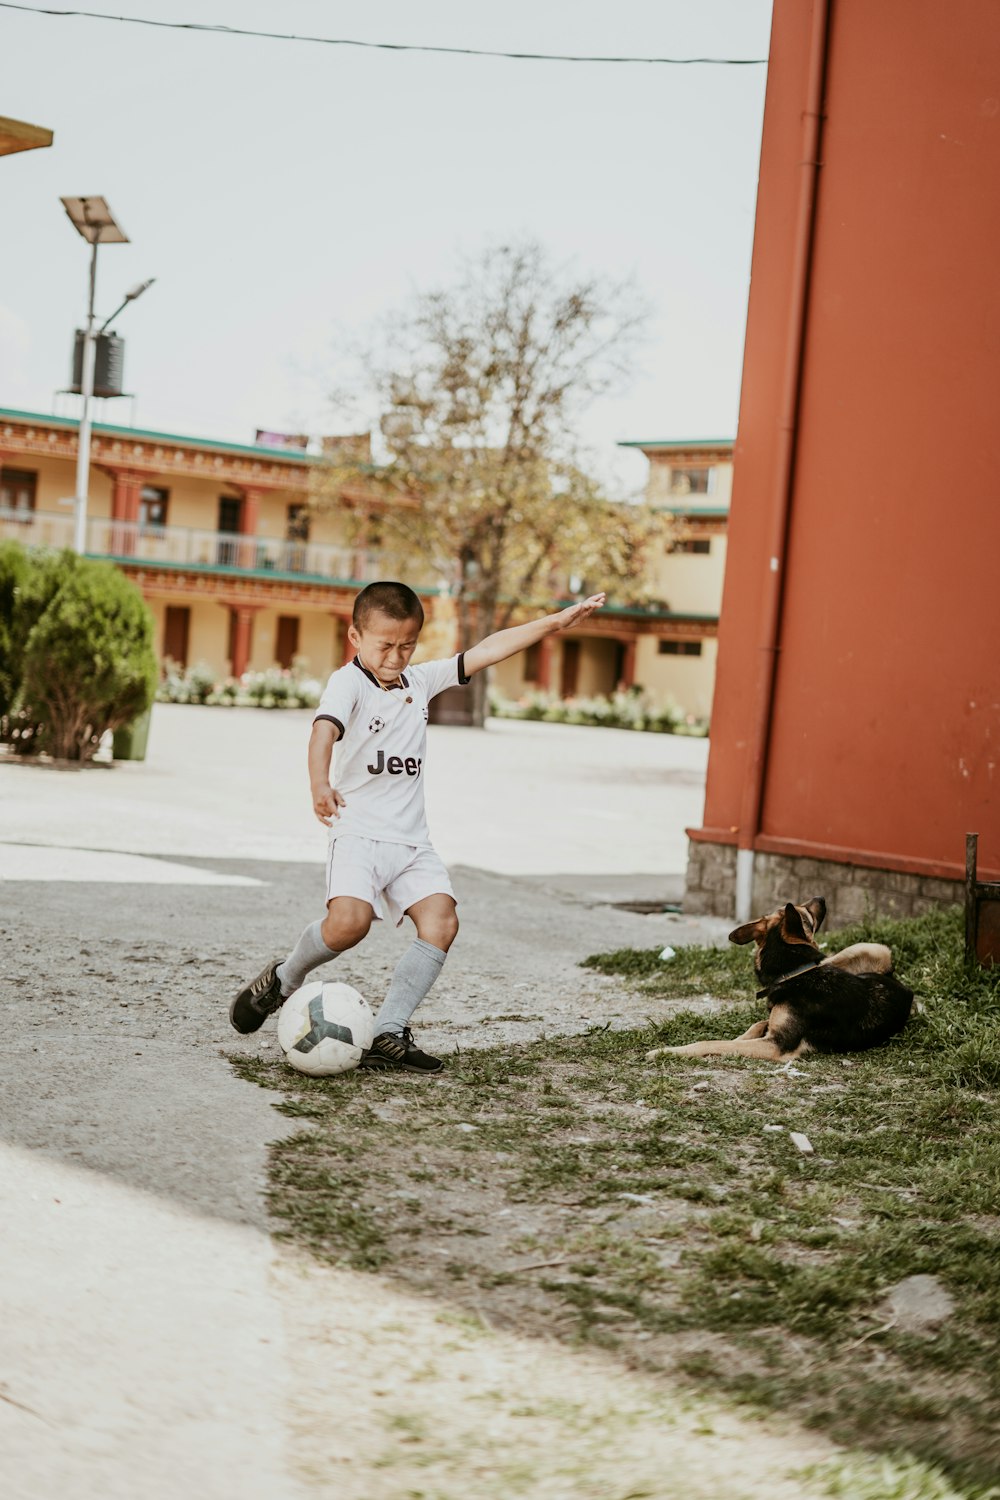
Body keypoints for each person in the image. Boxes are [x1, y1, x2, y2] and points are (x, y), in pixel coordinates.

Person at [229, 579, 606, 1072]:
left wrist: (557, 621)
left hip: (411, 842)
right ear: (356, 637)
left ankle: (388, 1030)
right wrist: (319, 783)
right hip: (358, 833)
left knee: (442, 922)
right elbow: (323, 730)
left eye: (407, 645)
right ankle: (283, 978)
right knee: (348, 926)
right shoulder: (348, 684)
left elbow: (488, 649)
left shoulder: (421, 682)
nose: (396, 656)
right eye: (385, 644)